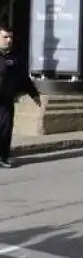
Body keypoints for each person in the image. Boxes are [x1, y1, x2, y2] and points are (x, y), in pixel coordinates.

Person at [0, 25, 41, 168]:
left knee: (5, 129)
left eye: (10, 37)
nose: (9, 40)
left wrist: (34, 95)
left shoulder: (16, 58)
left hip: (5, 101)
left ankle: (3, 158)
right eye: (5, 37)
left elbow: (24, 79)